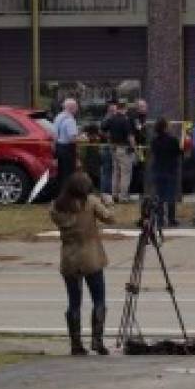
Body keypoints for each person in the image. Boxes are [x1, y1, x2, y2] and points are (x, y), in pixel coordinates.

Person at [49, 172, 113, 356]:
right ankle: (97, 340)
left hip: (69, 257)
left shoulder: (57, 207)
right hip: (91, 257)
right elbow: (110, 218)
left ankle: (76, 343)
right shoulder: (90, 203)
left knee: (74, 302)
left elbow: (56, 215)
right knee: (98, 299)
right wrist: (108, 203)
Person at [149, 117, 182, 228]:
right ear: (165, 127)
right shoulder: (173, 140)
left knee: (159, 196)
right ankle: (171, 219)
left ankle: (160, 219)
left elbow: (153, 153)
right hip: (170, 170)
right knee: (170, 196)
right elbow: (178, 153)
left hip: (158, 170)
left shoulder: (154, 141)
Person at [101, 102, 136, 204]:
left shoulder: (111, 118)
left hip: (113, 147)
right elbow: (130, 136)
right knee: (125, 173)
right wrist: (134, 148)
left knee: (115, 172)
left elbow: (103, 129)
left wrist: (109, 138)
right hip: (124, 148)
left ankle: (115, 195)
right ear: (124, 109)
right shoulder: (126, 120)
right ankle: (123, 197)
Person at [53, 98, 81, 189]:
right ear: (71, 107)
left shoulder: (58, 117)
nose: (77, 109)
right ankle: (68, 196)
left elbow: (54, 135)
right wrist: (81, 138)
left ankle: (60, 194)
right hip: (67, 149)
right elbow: (72, 138)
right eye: (76, 106)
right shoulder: (70, 120)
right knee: (69, 174)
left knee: (61, 174)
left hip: (59, 147)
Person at [97, 103, 118, 203]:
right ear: (109, 110)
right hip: (106, 148)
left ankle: (105, 192)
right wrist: (110, 137)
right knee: (107, 170)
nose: (115, 112)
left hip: (105, 148)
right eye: (114, 110)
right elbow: (101, 132)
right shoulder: (108, 119)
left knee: (106, 170)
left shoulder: (107, 119)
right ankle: (106, 192)